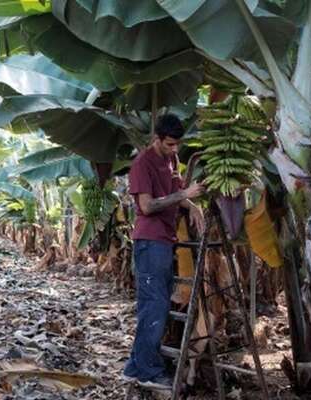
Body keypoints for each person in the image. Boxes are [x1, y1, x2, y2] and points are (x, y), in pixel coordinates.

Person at [122, 114, 205, 390]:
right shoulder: (142, 164)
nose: (175, 150)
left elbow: (178, 191)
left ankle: (135, 366)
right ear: (156, 139)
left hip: (165, 240)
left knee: (156, 305)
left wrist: (192, 206)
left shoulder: (171, 160)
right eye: (169, 144)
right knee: (154, 306)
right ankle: (148, 370)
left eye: (177, 145)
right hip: (149, 242)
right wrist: (185, 196)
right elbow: (146, 206)